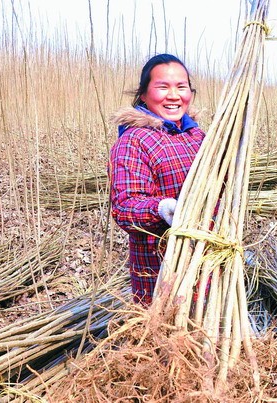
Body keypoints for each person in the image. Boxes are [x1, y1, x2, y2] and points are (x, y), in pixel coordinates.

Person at [109, 53, 205, 305]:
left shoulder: (199, 136)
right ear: (143, 94)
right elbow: (124, 206)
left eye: (181, 87)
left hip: (207, 262)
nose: (174, 96)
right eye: (163, 87)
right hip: (160, 266)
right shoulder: (134, 140)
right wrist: (162, 208)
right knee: (166, 337)